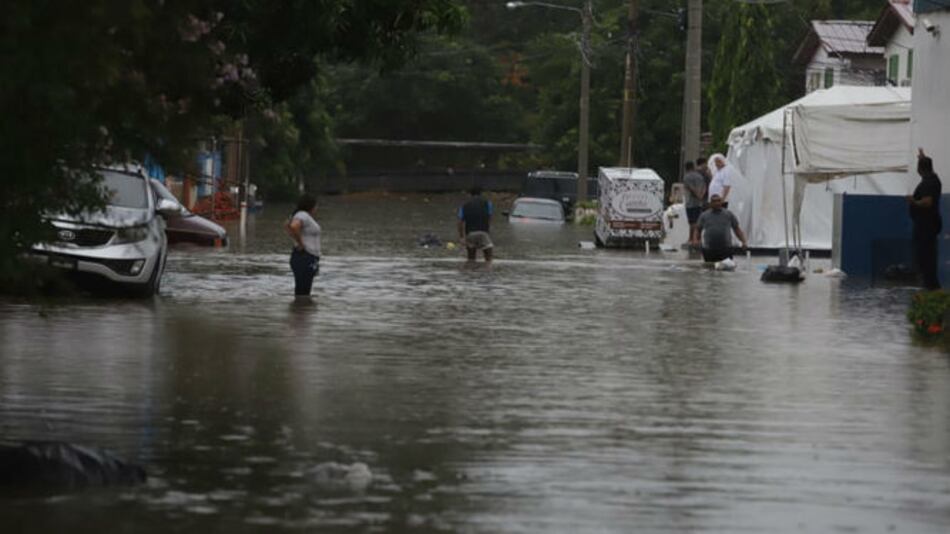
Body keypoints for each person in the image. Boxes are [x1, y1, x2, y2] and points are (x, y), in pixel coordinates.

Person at [907, 148, 942, 290]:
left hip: (925, 227)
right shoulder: (934, 178)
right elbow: (927, 167)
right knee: (927, 258)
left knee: (925, 260)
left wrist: (913, 202)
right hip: (928, 225)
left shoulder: (928, 183)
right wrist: (922, 158)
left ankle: (931, 289)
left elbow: (928, 202)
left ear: (920, 169)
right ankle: (931, 288)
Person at [692, 194, 748, 262]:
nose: (717, 203)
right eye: (714, 201)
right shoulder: (704, 215)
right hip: (709, 249)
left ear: (721, 202)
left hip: (726, 249)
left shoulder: (728, 214)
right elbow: (698, 229)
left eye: (718, 201)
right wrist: (695, 240)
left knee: (726, 269)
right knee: (710, 269)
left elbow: (737, 229)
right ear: (710, 203)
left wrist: (743, 241)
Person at [285, 194, 321, 297]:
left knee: (303, 291)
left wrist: (296, 239)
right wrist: (300, 243)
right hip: (305, 256)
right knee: (303, 291)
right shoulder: (303, 215)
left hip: (308, 257)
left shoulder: (302, 216)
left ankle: (300, 309)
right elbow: (293, 226)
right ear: (311, 206)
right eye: (316, 205)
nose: (316, 208)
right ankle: (301, 310)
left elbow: (287, 225)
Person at [457, 186, 493, 263]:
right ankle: (487, 272)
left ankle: (471, 272)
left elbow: (460, 222)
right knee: (488, 259)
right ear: (481, 194)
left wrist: (461, 237)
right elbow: (489, 218)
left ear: (470, 195)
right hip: (483, 232)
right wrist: (488, 230)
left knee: (471, 259)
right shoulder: (487, 204)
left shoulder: (464, 206)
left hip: (470, 233)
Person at [682, 161, 707, 243]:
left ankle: (692, 239)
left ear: (686, 168)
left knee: (692, 222)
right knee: (698, 221)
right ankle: (697, 239)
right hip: (700, 203)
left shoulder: (687, 177)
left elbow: (691, 188)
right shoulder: (700, 176)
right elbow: (704, 186)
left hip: (691, 203)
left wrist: (697, 195)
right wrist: (702, 196)